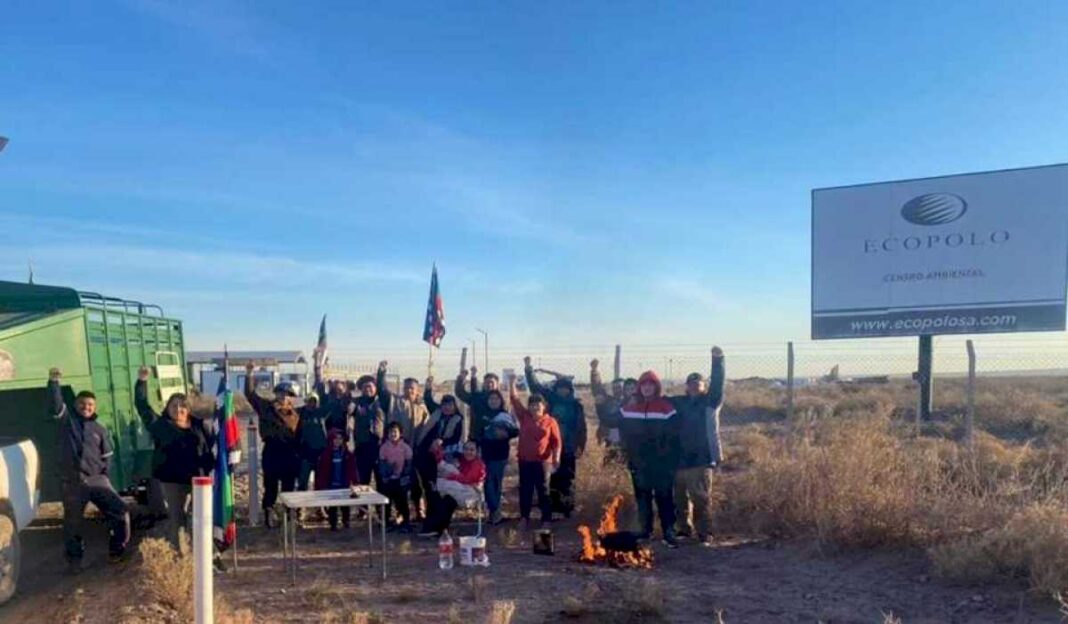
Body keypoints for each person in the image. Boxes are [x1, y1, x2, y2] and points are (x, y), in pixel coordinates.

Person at [47, 367, 130, 569]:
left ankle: (117, 551)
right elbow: (57, 406)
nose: (86, 407)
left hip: (97, 480)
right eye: (83, 404)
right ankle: (74, 561)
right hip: (73, 481)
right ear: (75, 405)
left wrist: (102, 476)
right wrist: (54, 383)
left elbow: (107, 456)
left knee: (120, 512)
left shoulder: (99, 429)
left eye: (90, 404)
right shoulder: (67, 422)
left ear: (95, 407)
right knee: (73, 524)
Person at [134, 367, 216, 550]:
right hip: (173, 480)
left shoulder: (199, 425)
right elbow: (142, 405)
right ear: (168, 408)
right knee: (177, 518)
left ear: (188, 409)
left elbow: (211, 446)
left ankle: (201, 551)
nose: (178, 409)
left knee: (200, 516)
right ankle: (176, 554)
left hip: (199, 478)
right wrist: (142, 381)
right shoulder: (160, 425)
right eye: (174, 406)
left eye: (182, 406)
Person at [620, 370, 681, 548]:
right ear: (640, 387)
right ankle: (645, 530)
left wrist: (671, 461)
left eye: (651, 384)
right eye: (644, 384)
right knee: (642, 497)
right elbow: (614, 423)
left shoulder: (666, 407)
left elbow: (675, 436)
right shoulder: (629, 408)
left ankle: (669, 531)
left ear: (656, 387)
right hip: (639, 463)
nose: (647, 388)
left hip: (662, 463)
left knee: (664, 497)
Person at [672, 347, 726, 546]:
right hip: (679, 458)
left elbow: (718, 384)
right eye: (691, 384)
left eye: (698, 383)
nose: (694, 386)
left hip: (701, 458)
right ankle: (683, 529)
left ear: (704, 386)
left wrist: (718, 360)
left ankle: (704, 533)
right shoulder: (680, 402)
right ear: (686, 386)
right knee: (679, 498)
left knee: (701, 498)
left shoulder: (710, 402)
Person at [524, 357, 587, 518]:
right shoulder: (549, 400)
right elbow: (535, 387)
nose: (563, 391)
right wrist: (529, 369)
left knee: (568, 479)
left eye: (566, 388)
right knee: (551, 478)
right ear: (556, 389)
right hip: (549, 448)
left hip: (569, 447)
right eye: (560, 388)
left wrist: (581, 445)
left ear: (570, 390)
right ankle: (552, 509)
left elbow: (582, 428)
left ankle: (567, 509)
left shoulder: (576, 405)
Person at [244, 362, 303, 528]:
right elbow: (250, 395)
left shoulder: (296, 414)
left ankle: (288, 517)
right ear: (275, 394)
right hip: (272, 451)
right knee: (270, 487)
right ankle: (268, 516)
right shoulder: (265, 408)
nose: (284, 397)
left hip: (290, 454)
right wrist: (249, 374)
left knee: (288, 488)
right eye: (281, 393)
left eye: (287, 395)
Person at [377, 361, 430, 521]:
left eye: (412, 388)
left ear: (417, 390)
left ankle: (420, 511)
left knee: (417, 485)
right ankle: (400, 513)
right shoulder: (395, 402)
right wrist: (381, 374)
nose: (408, 391)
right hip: (396, 453)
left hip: (416, 452)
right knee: (397, 485)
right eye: (406, 388)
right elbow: (382, 391)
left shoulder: (422, 407)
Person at [509, 381, 561, 530]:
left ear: (544, 406)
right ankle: (524, 518)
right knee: (525, 490)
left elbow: (556, 442)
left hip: (543, 462)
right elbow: (514, 400)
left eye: (538, 404)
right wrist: (512, 382)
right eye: (532, 404)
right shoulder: (524, 417)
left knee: (543, 490)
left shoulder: (550, 422)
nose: (535, 406)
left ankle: (546, 519)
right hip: (525, 461)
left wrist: (556, 458)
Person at [419, 441, 486, 537]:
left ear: (477, 451)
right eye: (466, 449)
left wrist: (450, 477)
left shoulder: (478, 464)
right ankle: (436, 529)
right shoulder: (462, 460)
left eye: (472, 450)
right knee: (446, 501)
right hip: (458, 490)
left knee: (445, 478)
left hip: (471, 494)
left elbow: (467, 480)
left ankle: (437, 485)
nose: (468, 452)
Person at [480, 389, 518, 524]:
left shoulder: (504, 415)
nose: (493, 401)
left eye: (496, 399)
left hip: (500, 454)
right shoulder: (482, 414)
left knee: (496, 482)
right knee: (487, 482)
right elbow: (478, 432)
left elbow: (515, 431)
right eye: (491, 399)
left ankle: (495, 511)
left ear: (501, 401)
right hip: (485, 453)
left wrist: (505, 434)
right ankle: (493, 510)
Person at [590, 360, 635, 466]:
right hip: (609, 440)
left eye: (619, 387)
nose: (617, 390)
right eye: (615, 388)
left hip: (626, 441)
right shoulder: (608, 401)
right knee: (609, 465)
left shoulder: (631, 402)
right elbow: (598, 389)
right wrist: (594, 371)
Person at [315, 429, 359, 530]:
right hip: (331, 484)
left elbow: (353, 469)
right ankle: (333, 523)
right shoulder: (326, 454)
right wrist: (321, 485)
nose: (338, 441)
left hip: (344, 483)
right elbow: (321, 471)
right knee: (333, 506)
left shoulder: (347, 454)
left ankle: (346, 521)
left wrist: (356, 482)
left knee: (345, 504)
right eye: (335, 439)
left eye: (340, 438)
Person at [350, 374, 386, 487]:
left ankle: (381, 504)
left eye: (370, 386)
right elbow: (349, 409)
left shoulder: (382, 402)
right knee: (363, 479)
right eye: (365, 387)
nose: (368, 389)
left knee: (381, 479)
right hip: (362, 446)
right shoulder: (357, 402)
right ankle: (363, 504)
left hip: (379, 446)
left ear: (375, 387)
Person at [377, 422, 414, 532]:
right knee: (387, 502)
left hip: (401, 479)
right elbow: (382, 462)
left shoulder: (405, 447)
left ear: (400, 433)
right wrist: (385, 474)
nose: (393, 434)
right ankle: (386, 522)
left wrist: (405, 476)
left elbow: (409, 463)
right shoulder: (384, 447)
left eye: (395, 432)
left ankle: (406, 522)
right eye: (390, 432)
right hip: (389, 479)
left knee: (402, 502)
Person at [454, 366, 502, 444]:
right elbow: (460, 393)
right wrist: (461, 379)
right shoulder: (477, 397)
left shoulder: (501, 401)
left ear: (497, 385)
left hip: (495, 441)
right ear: (483, 383)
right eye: (487, 382)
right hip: (476, 439)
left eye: (492, 383)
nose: (489, 385)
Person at [297, 393, 327, 493]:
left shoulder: (321, 413)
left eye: (314, 401)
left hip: (320, 451)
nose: (311, 403)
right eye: (309, 401)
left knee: (320, 481)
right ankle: (301, 505)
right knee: (302, 480)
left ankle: (320, 505)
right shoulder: (300, 412)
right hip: (305, 452)